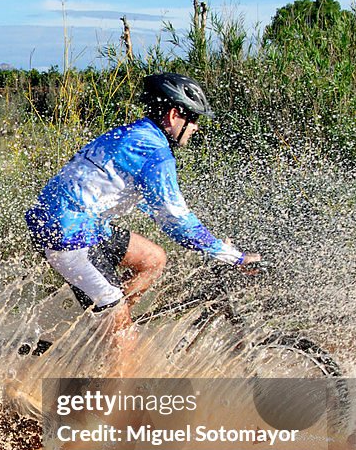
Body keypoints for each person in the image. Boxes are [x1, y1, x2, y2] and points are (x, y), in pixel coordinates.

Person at [24, 72, 260, 328]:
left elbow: (150, 204)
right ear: (173, 115)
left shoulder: (134, 134)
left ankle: (101, 330)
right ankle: (115, 335)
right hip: (69, 236)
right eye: (192, 119)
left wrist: (209, 243)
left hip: (74, 223)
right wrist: (231, 256)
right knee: (122, 329)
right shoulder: (154, 152)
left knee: (153, 259)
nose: (195, 127)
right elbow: (175, 219)